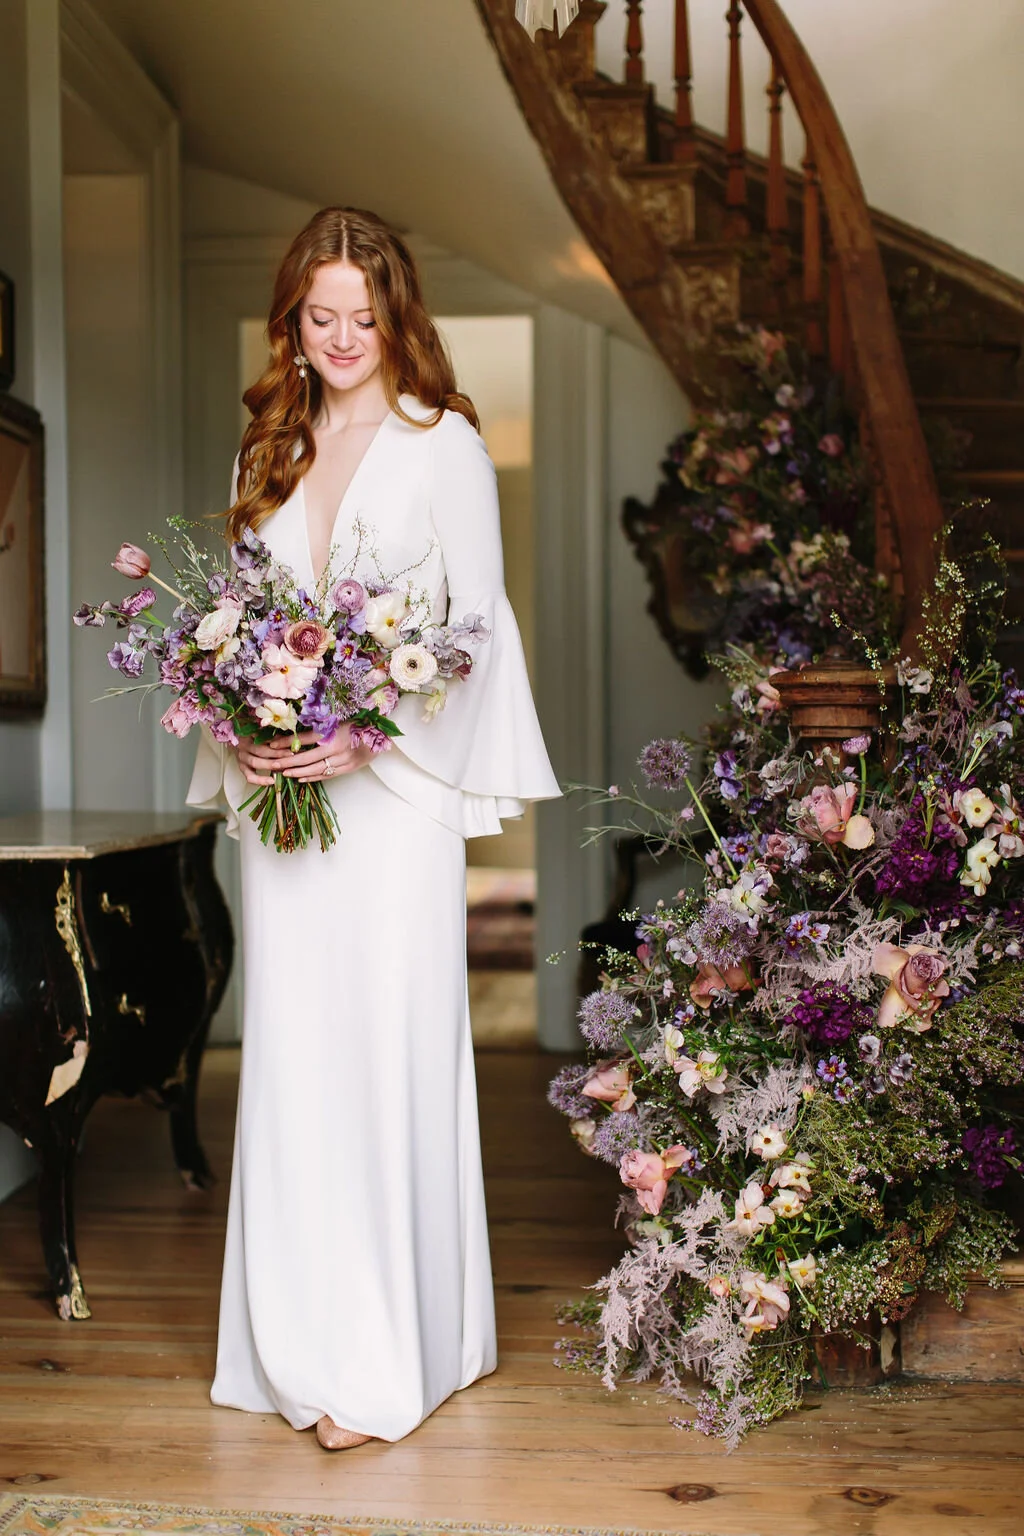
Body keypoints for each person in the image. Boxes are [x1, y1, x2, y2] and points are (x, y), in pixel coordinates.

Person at [186, 206, 560, 1450]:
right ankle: (289, 1344)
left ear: (396, 317)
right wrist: (238, 726)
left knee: (389, 1057)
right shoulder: (265, 455)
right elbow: (230, 623)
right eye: (318, 315)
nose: (342, 338)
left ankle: (397, 1355)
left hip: (389, 806)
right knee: (295, 1069)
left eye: (362, 315)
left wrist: (365, 732)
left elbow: (471, 627)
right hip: (285, 809)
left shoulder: (441, 441)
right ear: (289, 321)